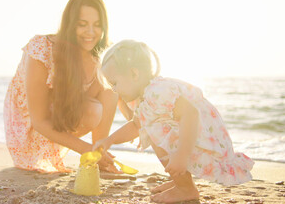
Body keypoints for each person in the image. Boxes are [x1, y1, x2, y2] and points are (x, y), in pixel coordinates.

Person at [93, 40, 254, 203]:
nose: (114, 90)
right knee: (150, 127)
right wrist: (109, 140)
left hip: (203, 142)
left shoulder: (158, 92)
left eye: (114, 83)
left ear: (134, 74)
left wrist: (182, 155)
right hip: (194, 139)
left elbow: (191, 114)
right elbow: (136, 125)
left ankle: (185, 188)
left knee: (153, 130)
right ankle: (182, 182)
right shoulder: (147, 97)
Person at [4, 0, 119, 173]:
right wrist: (85, 149)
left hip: (62, 121)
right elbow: (39, 121)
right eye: (82, 24)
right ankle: (94, 154)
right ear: (70, 24)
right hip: (31, 133)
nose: (90, 32)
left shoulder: (96, 59)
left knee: (111, 90)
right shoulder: (42, 48)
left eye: (97, 25)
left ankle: (99, 158)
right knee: (94, 108)